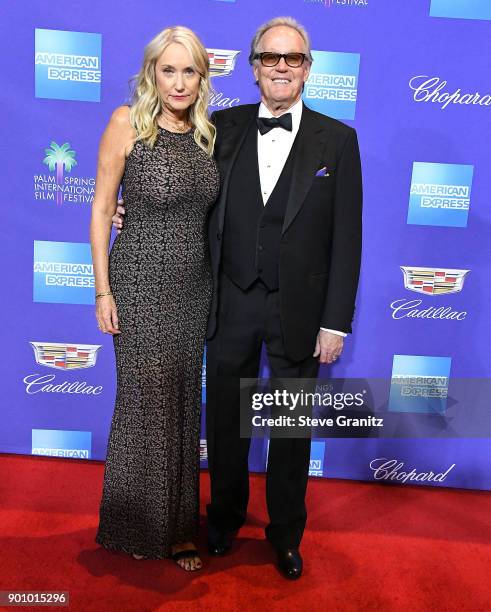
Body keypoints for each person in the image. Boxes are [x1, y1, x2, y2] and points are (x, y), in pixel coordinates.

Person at [114, 16, 362, 580]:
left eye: (292, 58)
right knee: (226, 421)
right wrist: (131, 213)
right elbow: (172, 183)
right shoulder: (217, 128)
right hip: (226, 299)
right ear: (252, 68)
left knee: (291, 429)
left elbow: (348, 239)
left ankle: (285, 533)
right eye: (270, 57)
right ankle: (223, 519)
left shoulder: (338, 141)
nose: (281, 66)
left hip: (299, 309)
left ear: (307, 68)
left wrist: (336, 323)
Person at [90, 26, 219, 572]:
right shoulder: (126, 124)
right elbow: (101, 209)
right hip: (139, 282)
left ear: (202, 77)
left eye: (189, 70)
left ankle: (181, 529)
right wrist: (102, 289)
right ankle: (136, 525)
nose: (179, 81)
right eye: (169, 70)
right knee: (145, 406)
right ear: (151, 73)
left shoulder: (208, 134)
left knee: (184, 405)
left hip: (193, 290)